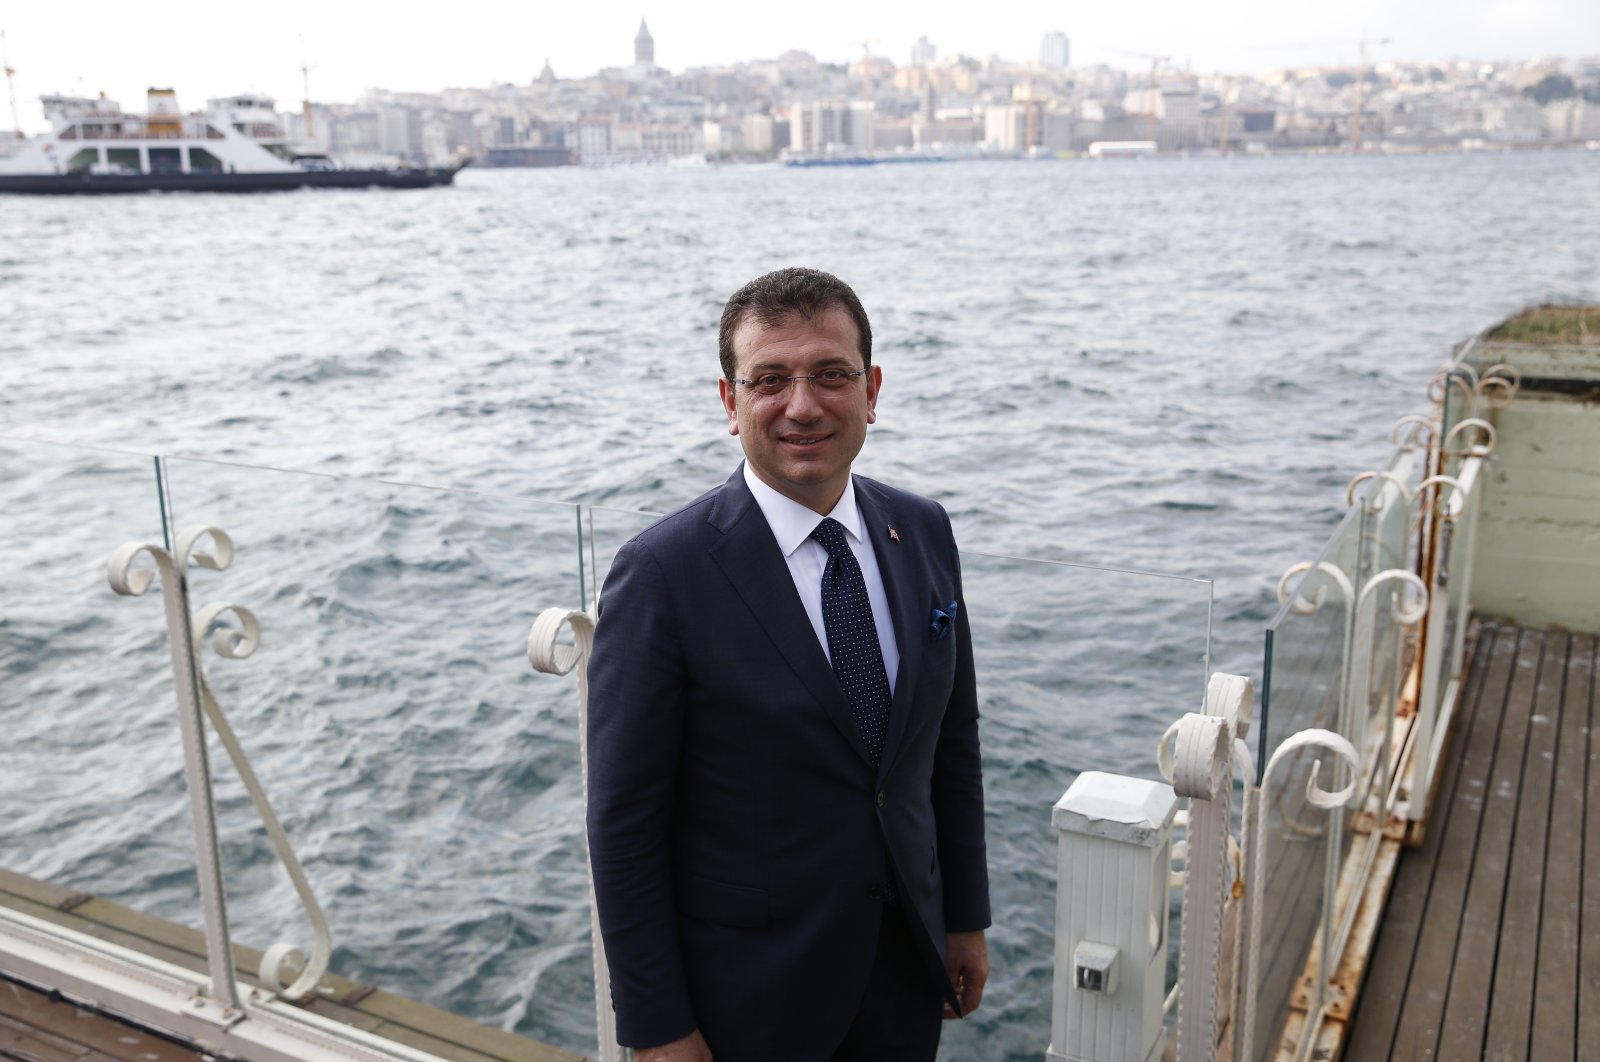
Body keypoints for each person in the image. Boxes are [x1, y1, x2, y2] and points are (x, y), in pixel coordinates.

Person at [586, 267, 990, 1062]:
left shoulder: (924, 529)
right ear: (730, 404)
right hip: (747, 997)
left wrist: (962, 917)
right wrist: (658, 1026)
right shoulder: (662, 575)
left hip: (904, 968)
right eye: (769, 380)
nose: (802, 405)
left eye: (831, 375)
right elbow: (624, 825)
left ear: (871, 389)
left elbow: (952, 740)